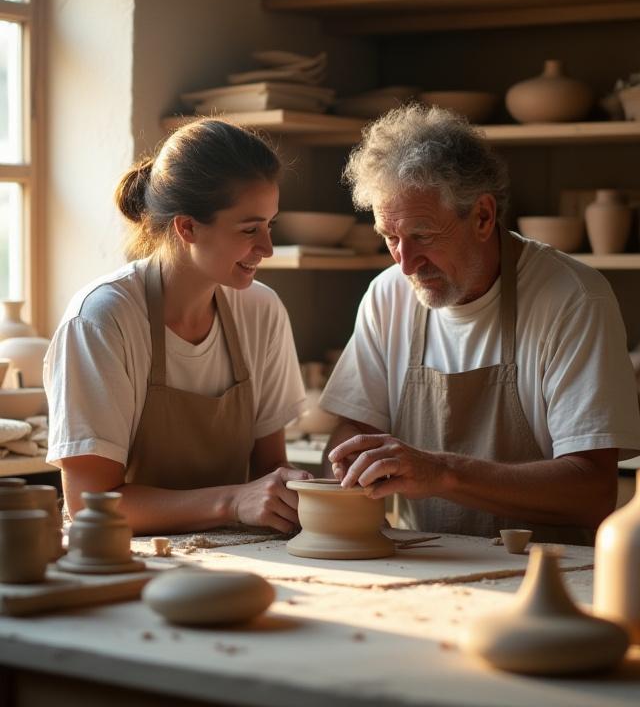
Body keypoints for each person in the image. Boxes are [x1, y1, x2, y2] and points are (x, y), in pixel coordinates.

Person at [320, 104, 640, 545]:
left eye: (423, 236)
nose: (406, 263)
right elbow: (355, 430)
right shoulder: (387, 295)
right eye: (390, 238)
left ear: (484, 217)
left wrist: (444, 472)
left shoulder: (572, 299)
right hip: (424, 565)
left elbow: (592, 491)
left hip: (548, 575)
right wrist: (347, 470)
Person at [44, 118, 311, 535]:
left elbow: (268, 468)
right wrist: (232, 501)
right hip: (126, 560)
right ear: (187, 227)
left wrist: (294, 491)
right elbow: (90, 506)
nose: (267, 248)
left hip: (241, 552)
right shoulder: (102, 319)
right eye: (249, 229)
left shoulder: (261, 309)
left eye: (270, 225)